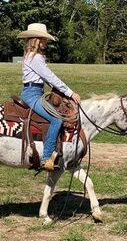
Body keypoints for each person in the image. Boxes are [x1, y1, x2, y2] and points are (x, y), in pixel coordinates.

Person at [17, 23, 81, 171]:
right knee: (57, 119)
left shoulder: (31, 56)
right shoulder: (35, 57)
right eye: (44, 39)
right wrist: (70, 93)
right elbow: (50, 77)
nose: (46, 42)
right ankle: (46, 158)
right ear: (38, 40)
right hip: (32, 94)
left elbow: (46, 78)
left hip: (35, 92)